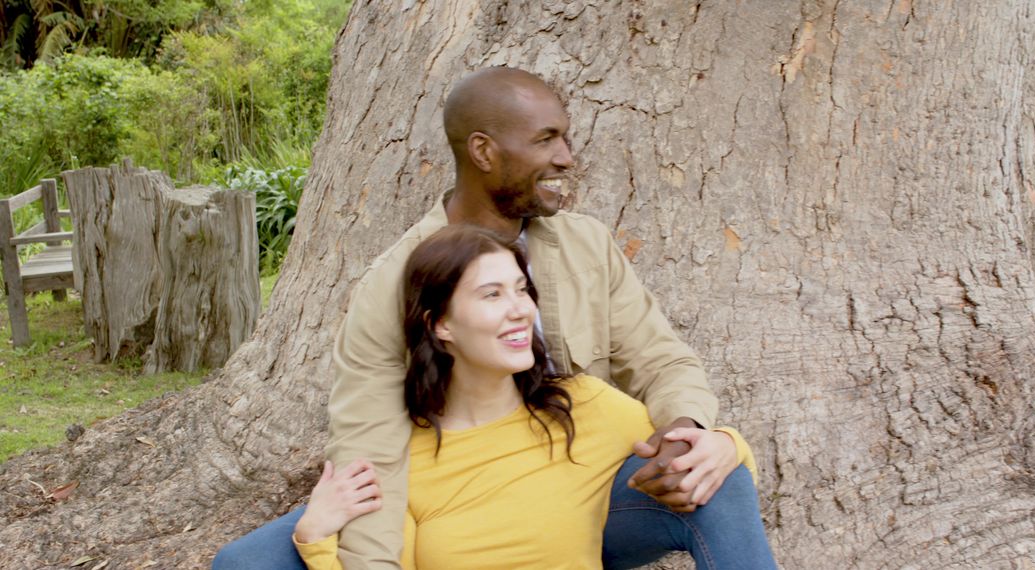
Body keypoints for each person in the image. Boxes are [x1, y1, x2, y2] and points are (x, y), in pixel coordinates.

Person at [214, 67, 766, 569]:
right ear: (483, 151)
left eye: (564, 137)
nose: (566, 157)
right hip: (452, 493)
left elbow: (661, 360)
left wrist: (686, 432)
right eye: (545, 139)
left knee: (711, 474)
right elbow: (369, 446)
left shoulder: (586, 245)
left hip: (578, 480)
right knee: (248, 563)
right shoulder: (397, 281)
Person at [290, 225, 772, 569]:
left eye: (522, 290)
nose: (521, 309)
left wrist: (726, 444)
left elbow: (703, 468)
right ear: (441, 325)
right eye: (492, 295)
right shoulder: (407, 460)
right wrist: (315, 539)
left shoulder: (582, 408)